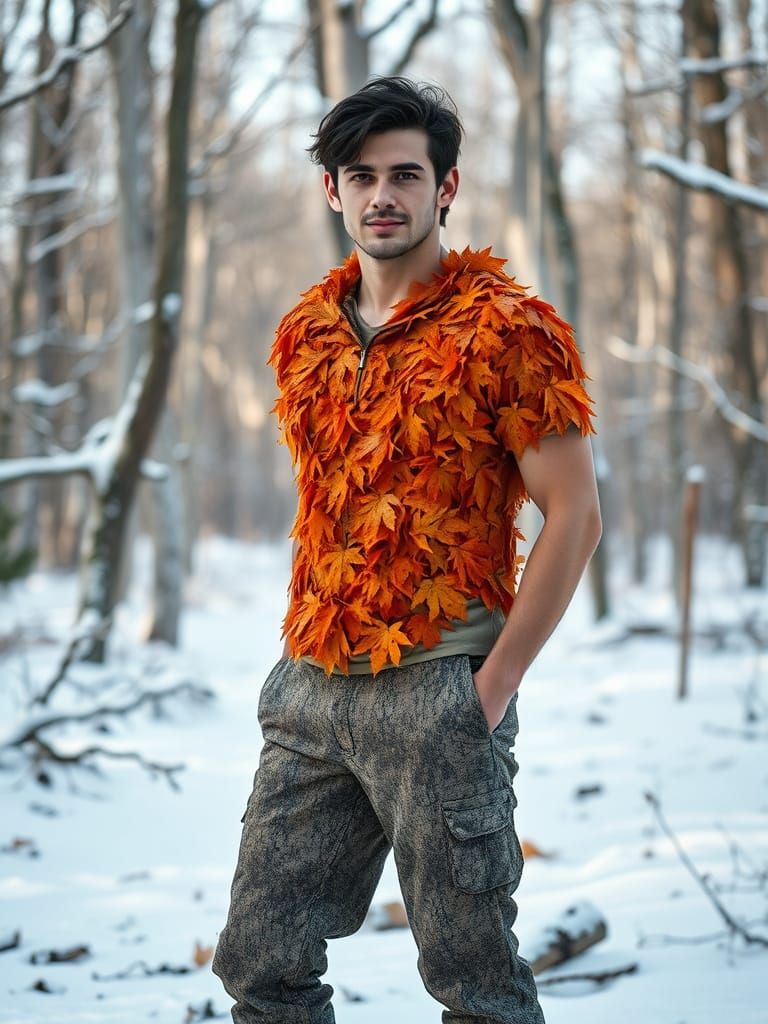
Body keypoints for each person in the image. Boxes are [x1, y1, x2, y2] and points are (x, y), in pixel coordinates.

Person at [212, 76, 602, 1024]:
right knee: (259, 968)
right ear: (332, 192)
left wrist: (490, 688)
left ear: (446, 188)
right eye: (362, 175)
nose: (383, 195)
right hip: (310, 691)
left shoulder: (508, 331)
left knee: (476, 987)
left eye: (405, 174)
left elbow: (575, 516)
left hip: (441, 693)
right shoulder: (305, 334)